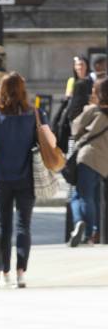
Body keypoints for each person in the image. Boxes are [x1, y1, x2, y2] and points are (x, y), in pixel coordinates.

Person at [0, 72, 56, 288]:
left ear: (1, 91)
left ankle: (5, 271)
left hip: (1, 178)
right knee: (24, 226)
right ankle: (21, 273)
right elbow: (51, 142)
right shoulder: (35, 113)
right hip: (27, 178)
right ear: (22, 91)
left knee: (4, 226)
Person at [68, 77, 108, 247]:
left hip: (87, 156)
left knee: (78, 196)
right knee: (93, 197)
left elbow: (75, 128)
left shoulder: (93, 110)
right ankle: (94, 232)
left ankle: (82, 225)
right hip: (104, 162)